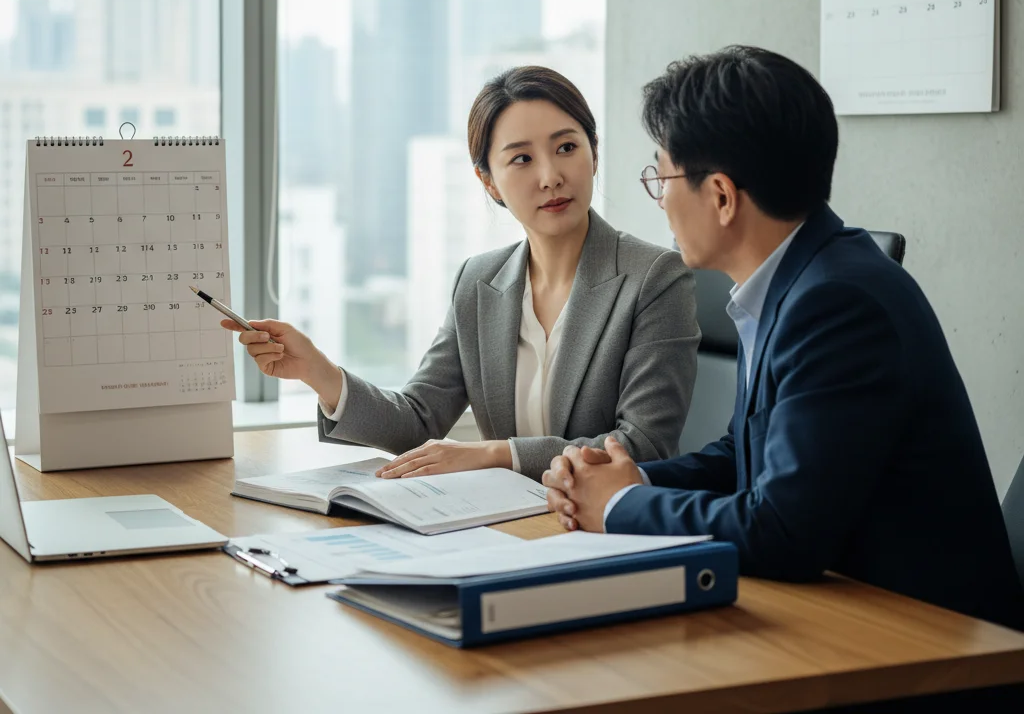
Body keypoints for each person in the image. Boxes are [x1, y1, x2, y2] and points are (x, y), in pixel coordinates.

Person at [544, 46, 1024, 632]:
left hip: (927, 646)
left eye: (662, 175)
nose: (661, 198)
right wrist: (628, 479)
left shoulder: (837, 303)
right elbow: (744, 454)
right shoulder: (794, 277)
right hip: (851, 616)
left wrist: (619, 506)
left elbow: (786, 532)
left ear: (720, 195)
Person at [226, 65, 700, 482]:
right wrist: (318, 372)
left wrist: (495, 455)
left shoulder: (654, 278)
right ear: (488, 181)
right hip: (502, 528)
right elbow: (417, 422)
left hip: (603, 533)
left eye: (567, 147)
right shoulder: (479, 281)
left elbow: (643, 446)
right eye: (522, 158)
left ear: (593, 153)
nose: (551, 175)